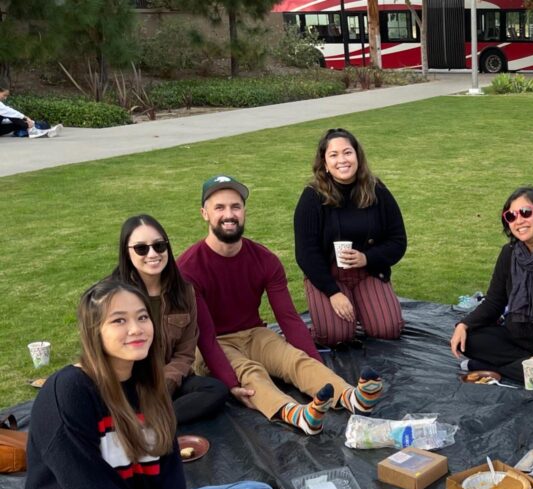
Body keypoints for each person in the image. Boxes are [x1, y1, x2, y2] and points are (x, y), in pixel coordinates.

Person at [24, 279, 276, 489]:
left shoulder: (150, 383)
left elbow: (169, 467)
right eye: (119, 321)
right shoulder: (67, 391)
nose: (136, 329)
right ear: (93, 331)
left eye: (142, 317)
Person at [179, 175, 384, 435]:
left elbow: (288, 318)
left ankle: (352, 398)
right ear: (204, 213)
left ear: (244, 212)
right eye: (219, 207)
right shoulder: (188, 268)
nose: (229, 214)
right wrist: (230, 383)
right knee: (250, 372)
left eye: (235, 207)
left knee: (294, 359)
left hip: (255, 333)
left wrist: (314, 361)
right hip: (214, 343)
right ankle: (297, 414)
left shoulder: (265, 259)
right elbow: (206, 338)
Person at [449, 186, 533, 386]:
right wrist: (464, 324)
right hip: (518, 338)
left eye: (525, 212)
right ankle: (521, 366)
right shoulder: (509, 253)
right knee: (467, 340)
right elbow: (494, 302)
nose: (519, 220)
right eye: (511, 216)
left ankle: (483, 366)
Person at [112, 214, 229, 425]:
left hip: (169, 380)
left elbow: (185, 354)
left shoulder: (183, 292)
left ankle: (150, 421)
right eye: (141, 248)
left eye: (159, 246)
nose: (152, 254)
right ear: (126, 252)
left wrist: (163, 385)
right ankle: (145, 417)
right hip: (129, 380)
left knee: (216, 390)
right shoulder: (113, 295)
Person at [294, 128, 406, 346]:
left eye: (347, 152)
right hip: (329, 275)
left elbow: (398, 240)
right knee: (335, 336)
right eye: (333, 155)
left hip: (368, 272)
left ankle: (365, 306)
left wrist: (368, 258)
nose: (342, 160)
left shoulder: (376, 190)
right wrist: (332, 292)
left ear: (357, 156)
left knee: (388, 330)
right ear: (325, 163)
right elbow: (306, 253)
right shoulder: (312, 196)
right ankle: (327, 320)